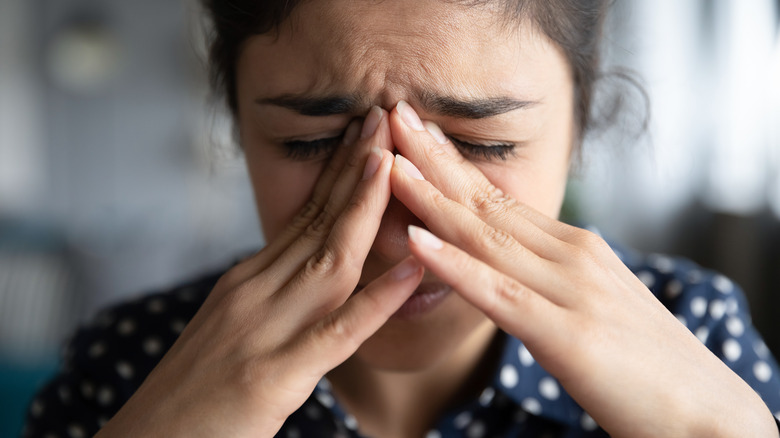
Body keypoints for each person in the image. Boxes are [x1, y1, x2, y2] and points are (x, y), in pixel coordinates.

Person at [23, 0, 780, 437]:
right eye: (313, 144)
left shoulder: (695, 333)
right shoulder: (129, 367)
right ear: (238, 128)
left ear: (579, 127)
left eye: (481, 145)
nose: (396, 229)